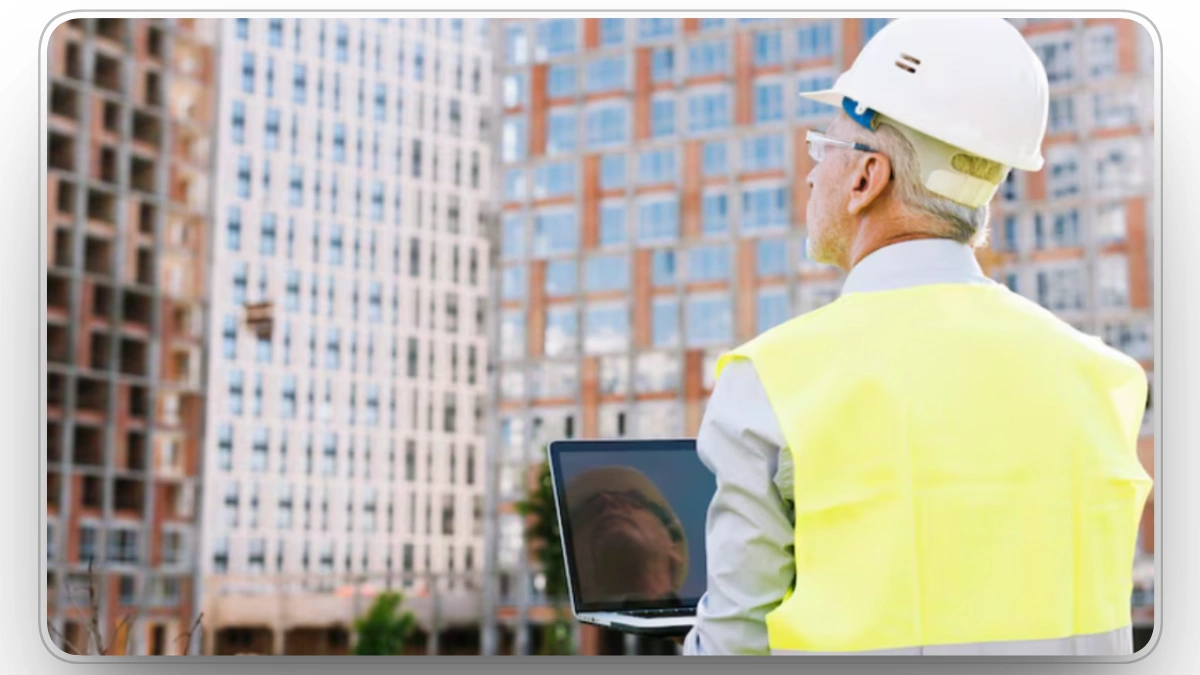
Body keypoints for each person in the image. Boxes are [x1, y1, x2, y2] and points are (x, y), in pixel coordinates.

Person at [681, 17, 1152, 656]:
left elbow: (733, 644)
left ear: (865, 179)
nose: (812, 175)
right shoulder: (1107, 379)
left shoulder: (772, 379)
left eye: (823, 147)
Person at [566, 466, 688, 604]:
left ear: (673, 546)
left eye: (632, 501)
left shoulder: (706, 622)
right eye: (588, 512)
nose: (606, 500)